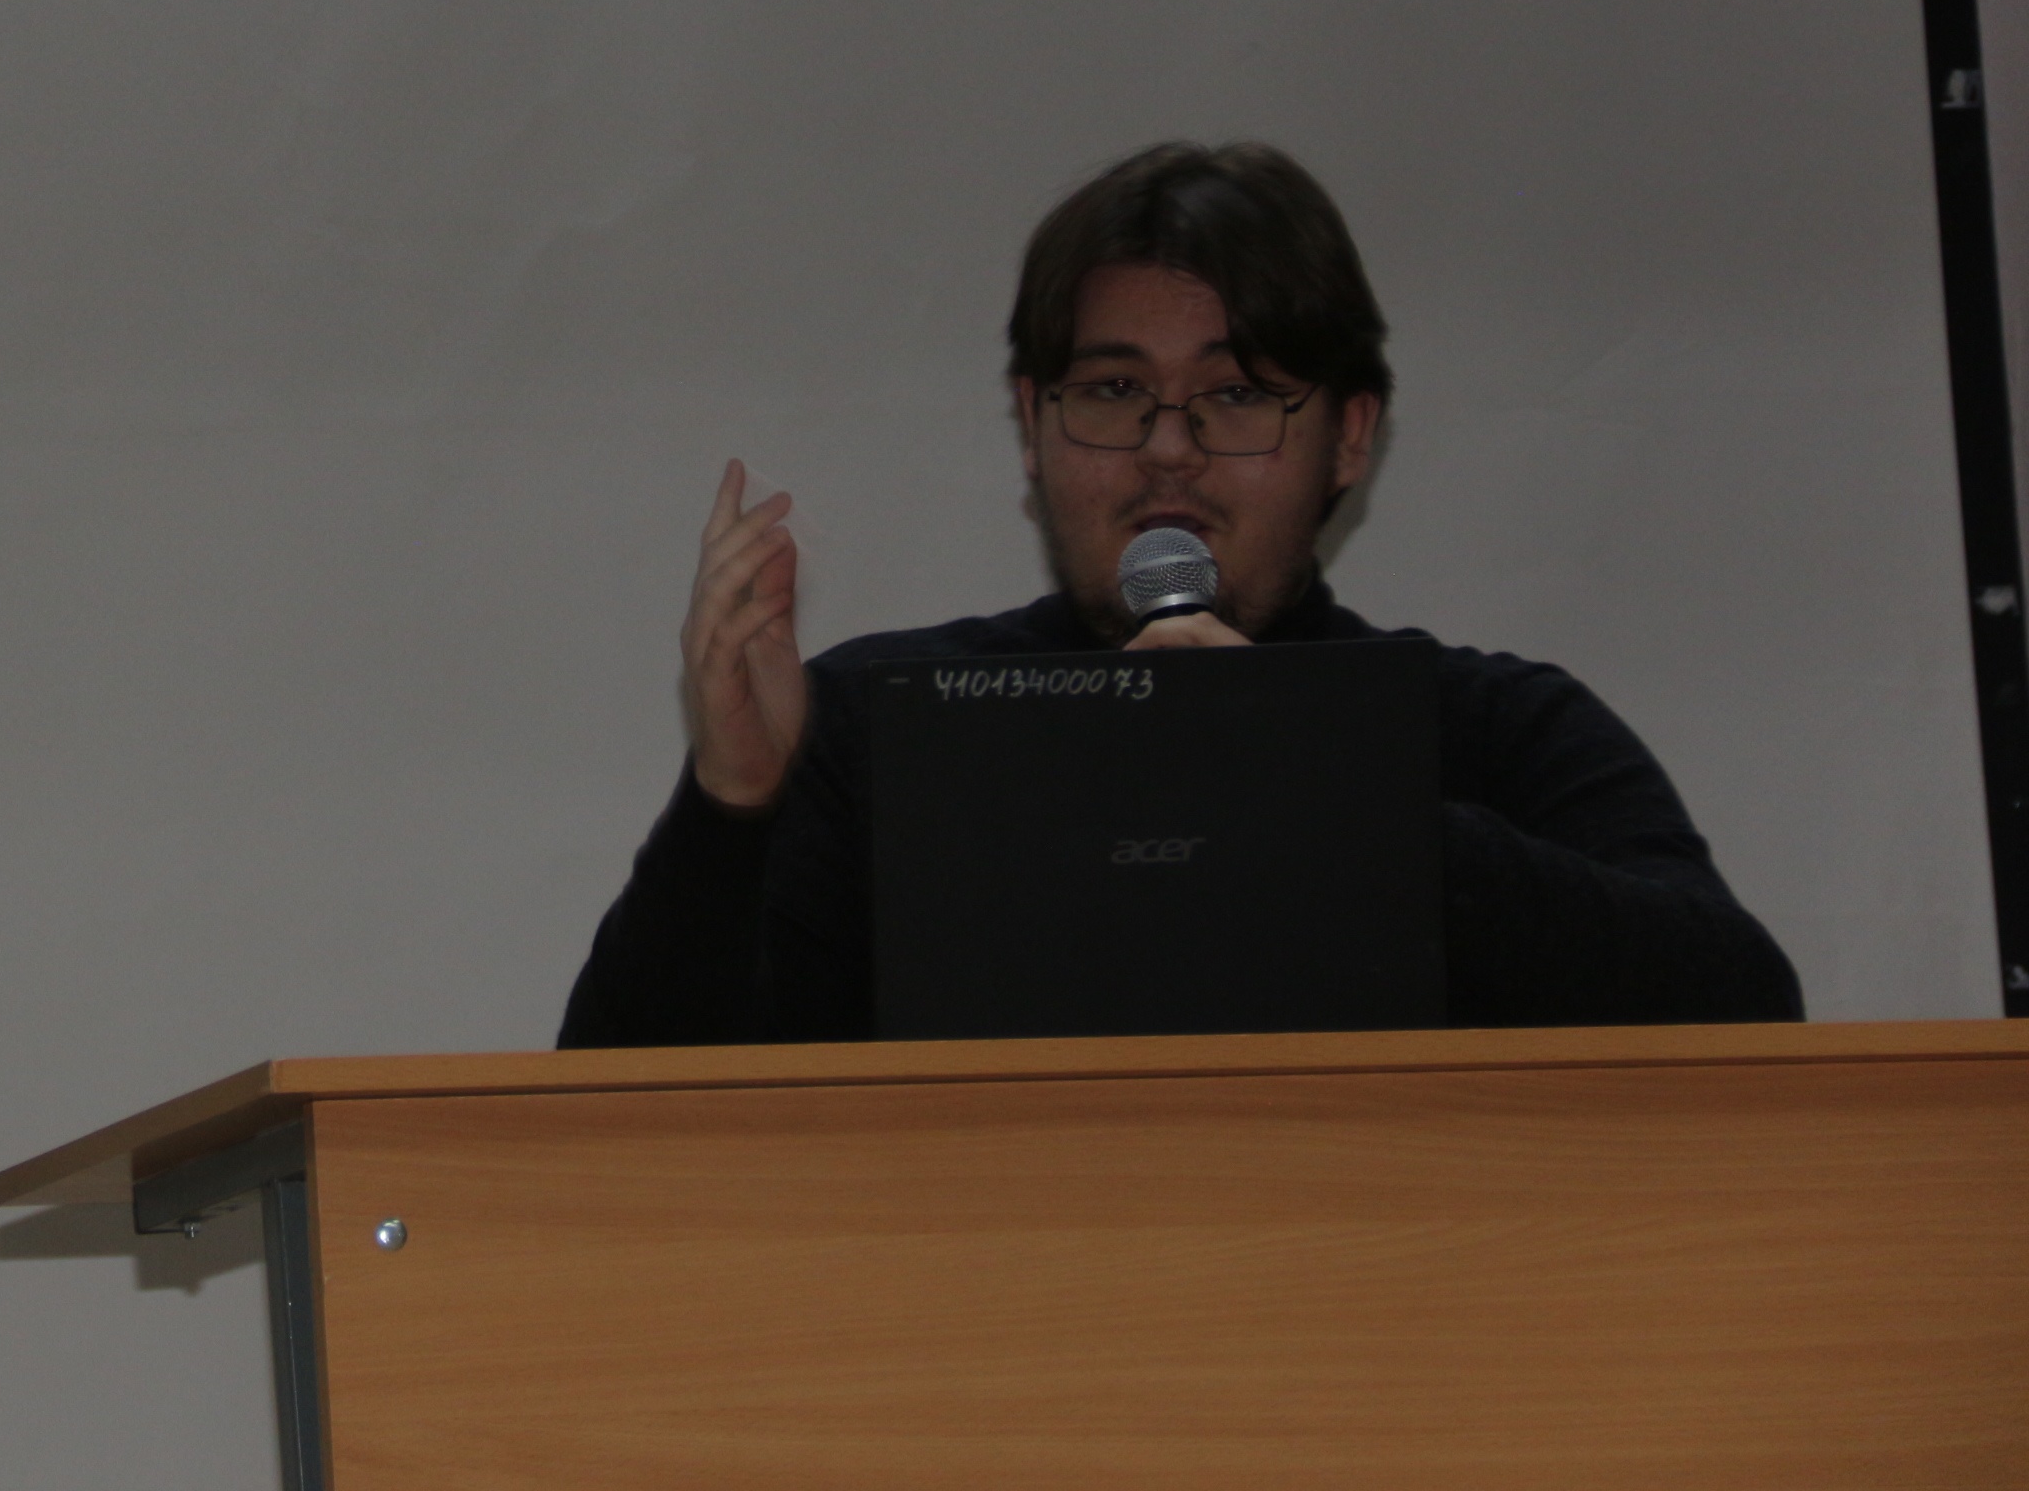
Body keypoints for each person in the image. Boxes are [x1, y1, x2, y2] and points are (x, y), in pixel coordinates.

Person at [558, 141, 1802, 1049]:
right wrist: (733, 807)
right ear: (1033, 427)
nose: (1167, 449)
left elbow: (1745, 1016)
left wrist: (1317, 790)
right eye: (1112, 391)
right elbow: (624, 1117)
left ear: (1349, 438)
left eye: (1236, 394)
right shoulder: (880, 728)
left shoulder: (1492, 730)